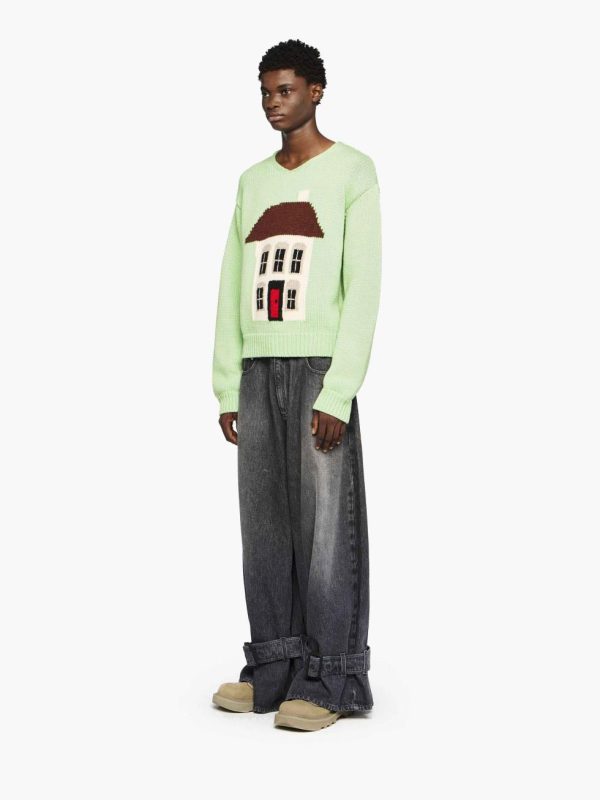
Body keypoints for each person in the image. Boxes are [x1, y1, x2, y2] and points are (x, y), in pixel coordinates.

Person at [210, 39, 382, 732]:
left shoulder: (352, 171)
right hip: (257, 370)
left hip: (317, 369)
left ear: (315, 91)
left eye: (284, 90)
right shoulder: (252, 182)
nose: (272, 102)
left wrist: (338, 390)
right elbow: (231, 281)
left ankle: (331, 677)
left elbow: (362, 287)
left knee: (324, 532)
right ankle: (275, 668)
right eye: (264, 91)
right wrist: (228, 385)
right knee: (265, 528)